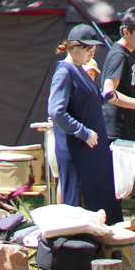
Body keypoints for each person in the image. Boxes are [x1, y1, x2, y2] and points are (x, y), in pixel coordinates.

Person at [48, 24, 123, 224]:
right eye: (88, 49)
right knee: (81, 210)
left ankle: (107, 250)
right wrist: (83, 132)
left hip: (93, 153)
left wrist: (104, 97)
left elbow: (83, 101)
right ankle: (82, 251)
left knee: (102, 205)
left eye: (94, 49)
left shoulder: (80, 69)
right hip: (77, 152)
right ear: (74, 48)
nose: (93, 53)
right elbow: (56, 111)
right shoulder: (64, 73)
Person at [101, 6, 135, 144]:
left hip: (125, 129)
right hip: (115, 132)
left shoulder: (128, 54)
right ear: (126, 32)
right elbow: (109, 93)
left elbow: (127, 89)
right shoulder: (119, 56)